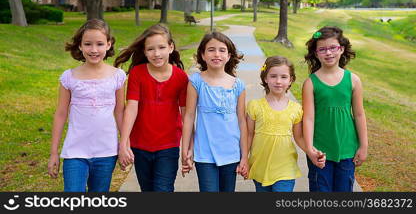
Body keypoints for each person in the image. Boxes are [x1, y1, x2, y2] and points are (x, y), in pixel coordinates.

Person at [48, 19, 126, 192]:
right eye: (88, 44)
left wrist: (124, 145)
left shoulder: (117, 76)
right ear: (80, 46)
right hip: (75, 152)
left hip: (106, 152)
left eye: (99, 44)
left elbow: (120, 112)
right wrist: (54, 152)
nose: (94, 50)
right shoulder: (69, 77)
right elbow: (61, 114)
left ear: (108, 44)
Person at [114, 24, 189, 192]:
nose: (156, 54)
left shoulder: (181, 77)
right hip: (140, 145)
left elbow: (187, 114)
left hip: (168, 145)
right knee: (147, 189)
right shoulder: (137, 73)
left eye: (161, 47)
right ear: (145, 51)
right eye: (151, 49)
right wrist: (124, 142)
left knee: (163, 188)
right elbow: (131, 108)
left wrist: (188, 146)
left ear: (171, 47)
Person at [302, 26, 368, 192]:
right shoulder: (310, 83)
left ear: (342, 49)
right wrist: (310, 149)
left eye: (333, 48)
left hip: (347, 150)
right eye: (322, 49)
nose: (328, 53)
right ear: (316, 53)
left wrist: (363, 145)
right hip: (320, 151)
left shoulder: (353, 80)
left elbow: (359, 115)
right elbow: (308, 118)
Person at [181, 31, 248, 192]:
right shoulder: (196, 81)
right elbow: (189, 116)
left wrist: (244, 156)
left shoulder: (238, 85)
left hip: (231, 152)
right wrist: (185, 149)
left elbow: (241, 121)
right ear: (203, 55)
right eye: (211, 50)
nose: (216, 54)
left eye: (222, 50)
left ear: (229, 55)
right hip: (204, 152)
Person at [246, 56, 325, 192]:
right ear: (265, 78)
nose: (278, 81)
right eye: (273, 76)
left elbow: (299, 137)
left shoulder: (295, 109)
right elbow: (248, 135)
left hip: (285, 167)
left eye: (283, 77)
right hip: (260, 166)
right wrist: (244, 160)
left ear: (291, 80)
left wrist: (311, 151)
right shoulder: (254, 106)